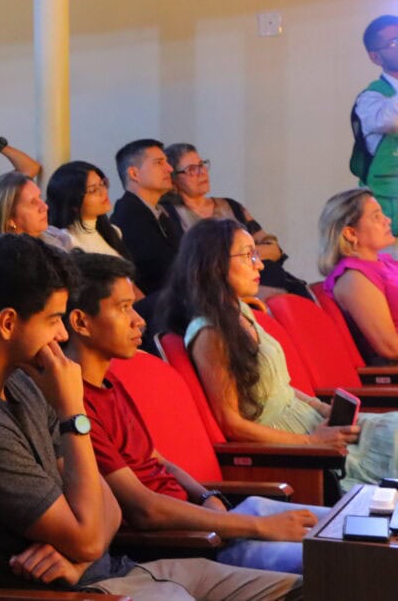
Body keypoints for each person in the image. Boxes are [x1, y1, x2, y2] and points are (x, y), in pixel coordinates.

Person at [0, 233, 302, 599]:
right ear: (7, 323)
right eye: (53, 320)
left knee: (306, 586)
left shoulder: (23, 382)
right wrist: (72, 412)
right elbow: (89, 536)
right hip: (88, 594)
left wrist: (79, 557)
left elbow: (110, 510)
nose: (62, 335)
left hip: (120, 571)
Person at [67, 252, 325, 574]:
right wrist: (258, 527)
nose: (139, 320)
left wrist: (206, 496)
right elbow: (144, 509)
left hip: (209, 518)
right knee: (339, 560)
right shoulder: (73, 404)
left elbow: (155, 459)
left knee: (340, 525)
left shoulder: (110, 380)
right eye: (123, 308)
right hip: (187, 541)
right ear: (81, 322)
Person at [161, 217, 398, 492]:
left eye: (257, 254)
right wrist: (313, 443)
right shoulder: (211, 333)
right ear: (215, 264)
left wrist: (322, 408)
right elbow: (232, 424)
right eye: (248, 256)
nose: (260, 264)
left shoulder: (241, 311)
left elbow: (278, 387)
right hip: (292, 447)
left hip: (311, 423)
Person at [162, 142, 308, 299]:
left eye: (201, 165)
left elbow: (274, 249)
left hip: (261, 277)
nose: (201, 172)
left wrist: (240, 257)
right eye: (191, 169)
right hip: (214, 291)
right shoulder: (170, 214)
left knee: (280, 280)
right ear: (173, 179)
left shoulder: (231, 206)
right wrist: (245, 255)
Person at [320, 188, 398, 364]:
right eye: (376, 217)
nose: (387, 220)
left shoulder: (386, 262)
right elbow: (390, 347)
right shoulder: (353, 279)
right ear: (350, 233)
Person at [110, 138, 181, 295]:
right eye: (159, 163)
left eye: (167, 162)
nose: (170, 168)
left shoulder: (161, 213)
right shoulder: (127, 219)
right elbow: (159, 271)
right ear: (134, 174)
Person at [351, 14, 398, 234]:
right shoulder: (371, 99)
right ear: (375, 57)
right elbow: (391, 121)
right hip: (388, 226)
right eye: (395, 42)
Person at [45, 160, 131, 258]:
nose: (103, 192)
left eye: (102, 184)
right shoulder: (66, 241)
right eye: (93, 190)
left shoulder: (113, 232)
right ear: (73, 202)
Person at [0, 171, 73, 251]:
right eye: (33, 203)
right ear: (9, 218)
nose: (45, 207)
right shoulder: (2, 259)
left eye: (39, 197)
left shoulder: (59, 238)